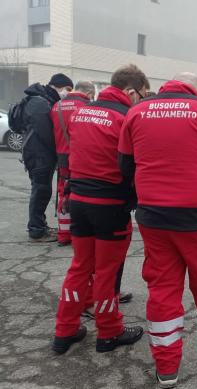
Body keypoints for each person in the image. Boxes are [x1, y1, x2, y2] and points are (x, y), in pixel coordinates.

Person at [118, 72, 197, 387]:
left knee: (162, 289)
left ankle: (166, 368)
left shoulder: (137, 111)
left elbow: (124, 166)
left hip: (153, 218)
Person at [52, 65, 149, 356]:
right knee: (107, 272)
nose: (141, 101)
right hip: (109, 204)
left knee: (80, 267)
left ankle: (64, 331)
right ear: (130, 91)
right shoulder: (125, 116)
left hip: (79, 200)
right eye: (141, 95)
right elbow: (131, 163)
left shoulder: (82, 111)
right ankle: (109, 332)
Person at [21, 73, 73, 242]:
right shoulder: (40, 102)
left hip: (38, 153)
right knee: (41, 190)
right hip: (38, 154)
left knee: (41, 189)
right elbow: (46, 134)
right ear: (57, 86)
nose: (67, 93)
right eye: (67, 89)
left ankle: (39, 225)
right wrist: (59, 150)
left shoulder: (44, 100)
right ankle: (36, 229)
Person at [50, 80, 95, 246]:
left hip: (61, 156)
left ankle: (63, 233)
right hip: (80, 157)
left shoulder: (57, 106)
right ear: (89, 93)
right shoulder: (87, 106)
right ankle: (79, 233)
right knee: (80, 194)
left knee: (63, 193)